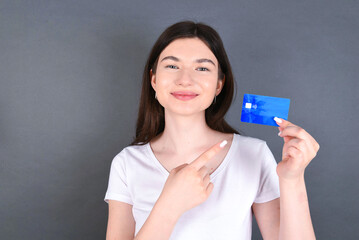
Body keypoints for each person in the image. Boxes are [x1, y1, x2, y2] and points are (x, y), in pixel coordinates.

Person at [104, 21, 320, 240]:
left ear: (219, 85)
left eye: (202, 68)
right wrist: (169, 205)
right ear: (154, 80)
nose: (185, 80)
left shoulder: (253, 154)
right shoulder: (127, 163)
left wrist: (292, 180)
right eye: (172, 66)